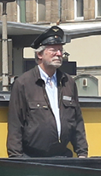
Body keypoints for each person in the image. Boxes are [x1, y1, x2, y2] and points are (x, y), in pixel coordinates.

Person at [6, 26, 89, 158]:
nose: (59, 54)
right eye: (53, 50)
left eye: (60, 50)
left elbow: (77, 121)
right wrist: (16, 159)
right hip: (32, 159)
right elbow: (15, 125)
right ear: (40, 54)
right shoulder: (23, 83)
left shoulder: (68, 82)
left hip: (62, 158)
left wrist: (82, 153)